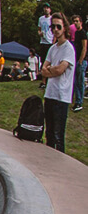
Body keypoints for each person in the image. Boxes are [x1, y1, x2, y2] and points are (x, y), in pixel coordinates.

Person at [39, 13, 75, 152]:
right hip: (50, 94)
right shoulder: (52, 48)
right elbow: (43, 70)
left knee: (58, 136)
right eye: (52, 26)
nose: (55, 29)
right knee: (49, 134)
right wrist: (50, 70)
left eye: (58, 26)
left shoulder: (68, 49)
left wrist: (51, 70)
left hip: (61, 96)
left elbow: (60, 69)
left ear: (65, 28)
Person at [71, 15, 86, 112]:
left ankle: (79, 102)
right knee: (76, 82)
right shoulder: (76, 33)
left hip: (81, 61)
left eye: (77, 21)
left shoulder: (83, 33)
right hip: (76, 60)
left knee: (80, 82)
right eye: (74, 21)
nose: (75, 23)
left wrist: (80, 60)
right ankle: (77, 101)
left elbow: (84, 47)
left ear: (81, 22)